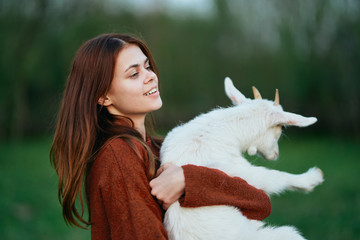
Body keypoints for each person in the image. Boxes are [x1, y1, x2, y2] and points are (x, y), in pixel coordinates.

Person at [50, 33, 271, 239]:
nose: (150, 77)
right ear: (104, 96)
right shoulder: (117, 157)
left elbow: (259, 203)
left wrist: (188, 180)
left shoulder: (162, 149)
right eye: (134, 73)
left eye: (147, 67)